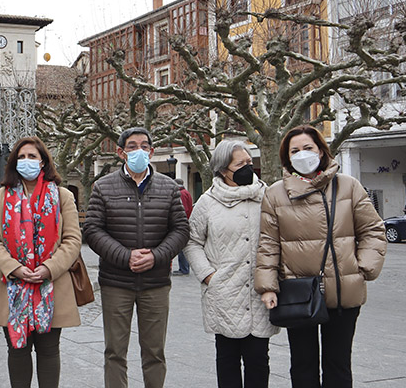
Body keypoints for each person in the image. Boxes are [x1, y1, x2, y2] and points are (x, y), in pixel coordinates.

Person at [256, 125, 386, 388]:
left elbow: (373, 230)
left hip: (343, 291)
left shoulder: (348, 186)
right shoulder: (275, 193)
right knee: (302, 364)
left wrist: (362, 268)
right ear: (286, 157)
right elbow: (269, 243)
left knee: (338, 364)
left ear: (321, 151)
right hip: (298, 292)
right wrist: (267, 286)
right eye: (294, 151)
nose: (302, 154)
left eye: (308, 148)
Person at [83, 127, 189, 388]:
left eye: (144, 146)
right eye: (132, 146)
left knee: (155, 353)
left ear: (151, 152)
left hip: (156, 282)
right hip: (116, 282)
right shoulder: (103, 186)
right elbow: (93, 230)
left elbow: (180, 230)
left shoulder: (168, 187)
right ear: (121, 152)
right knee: (114, 352)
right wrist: (125, 256)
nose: (138, 151)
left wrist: (156, 256)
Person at [0, 136, 82, 388]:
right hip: (11, 284)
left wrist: (49, 268)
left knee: (49, 350)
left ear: (43, 162)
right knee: (17, 349)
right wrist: (14, 268)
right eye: (21, 157)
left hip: (52, 284)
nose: (26, 161)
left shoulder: (63, 196)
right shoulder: (1, 196)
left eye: (32, 156)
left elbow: (72, 239)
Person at [182, 140, 278, 388]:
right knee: (227, 360)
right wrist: (208, 276)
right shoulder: (207, 202)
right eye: (240, 164)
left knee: (259, 361)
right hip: (223, 293)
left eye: (249, 162)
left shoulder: (267, 196)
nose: (247, 167)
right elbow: (192, 241)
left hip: (259, 293)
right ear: (223, 169)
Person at [172, 178, 193, 276]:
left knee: (182, 247)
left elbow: (183, 209)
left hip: (183, 223)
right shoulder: (186, 192)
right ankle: (184, 268)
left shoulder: (181, 194)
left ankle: (184, 268)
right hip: (187, 221)